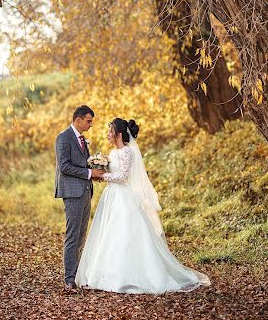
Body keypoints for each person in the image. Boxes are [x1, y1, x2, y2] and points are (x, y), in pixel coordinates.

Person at [75, 118, 210, 294]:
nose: (107, 134)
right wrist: (101, 171)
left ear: (119, 134)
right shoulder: (113, 153)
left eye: (110, 131)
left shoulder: (126, 152)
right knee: (109, 233)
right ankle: (104, 273)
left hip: (122, 197)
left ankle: (127, 277)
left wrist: (103, 176)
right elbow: (113, 172)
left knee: (124, 233)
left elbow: (123, 177)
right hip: (111, 196)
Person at [55, 105, 104, 291]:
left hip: (85, 191)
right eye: (88, 121)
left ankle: (77, 275)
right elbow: (64, 167)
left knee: (81, 236)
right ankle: (69, 279)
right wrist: (89, 172)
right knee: (73, 236)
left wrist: (95, 174)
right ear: (78, 120)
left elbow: (85, 164)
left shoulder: (82, 139)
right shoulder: (63, 138)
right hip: (72, 193)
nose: (91, 125)